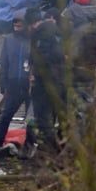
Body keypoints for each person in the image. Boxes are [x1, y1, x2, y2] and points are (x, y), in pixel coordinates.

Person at [0, 14, 32, 150]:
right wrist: (3, 84)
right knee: (6, 115)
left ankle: (29, 146)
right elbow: (4, 63)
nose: (17, 28)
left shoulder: (32, 40)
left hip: (29, 85)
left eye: (19, 26)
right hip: (13, 84)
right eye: (15, 26)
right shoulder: (8, 40)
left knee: (30, 118)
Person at [29, 9, 65, 149]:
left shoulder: (40, 35)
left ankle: (50, 148)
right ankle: (59, 145)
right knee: (55, 115)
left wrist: (34, 74)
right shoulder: (59, 34)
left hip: (44, 83)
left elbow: (39, 59)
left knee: (42, 119)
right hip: (59, 82)